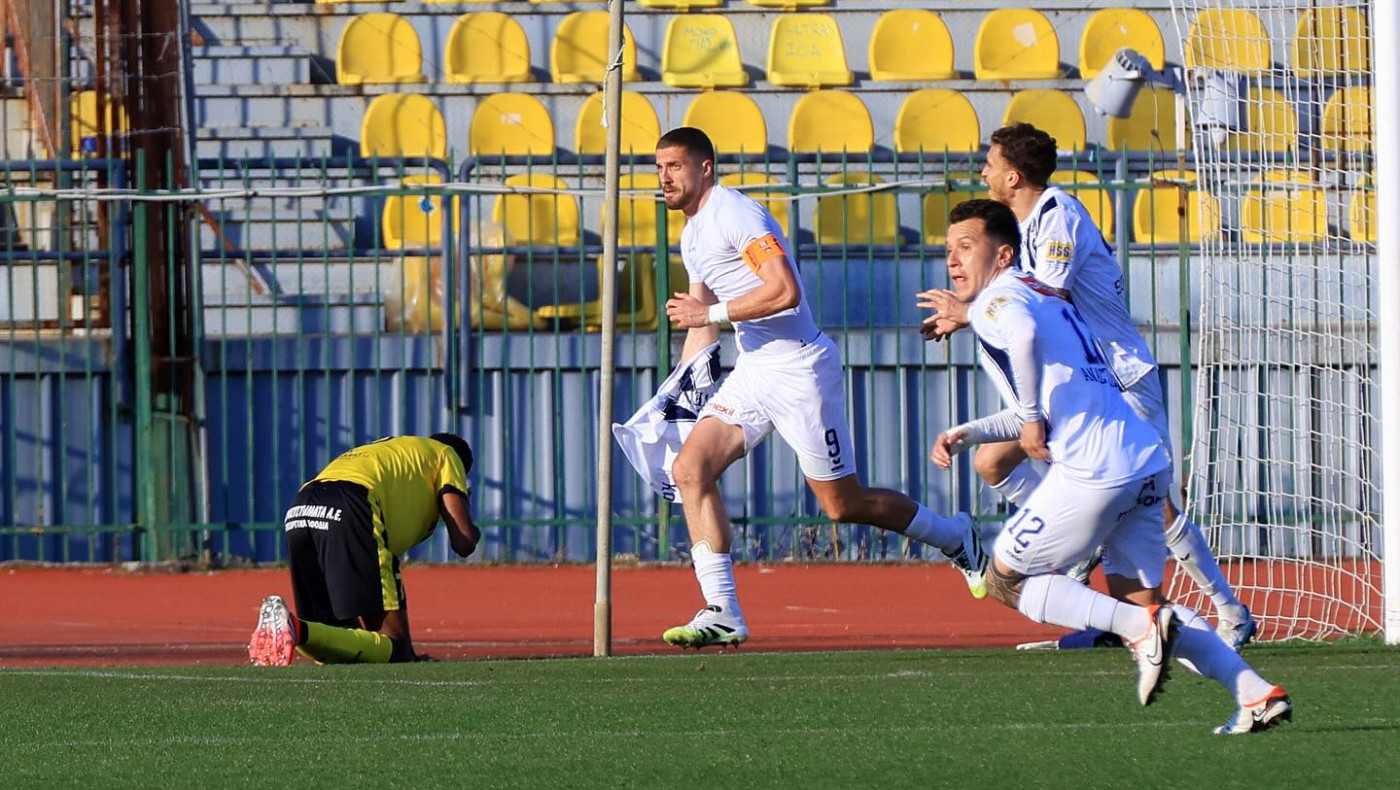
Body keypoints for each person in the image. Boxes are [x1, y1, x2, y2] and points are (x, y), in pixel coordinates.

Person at [929, 199, 1290, 734]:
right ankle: (1257, 693)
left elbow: (1026, 353)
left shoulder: (996, 300)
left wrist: (1028, 420)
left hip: (1096, 469)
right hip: (1143, 458)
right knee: (1143, 600)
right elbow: (1063, 395)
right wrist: (976, 432)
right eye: (948, 251)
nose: (954, 262)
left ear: (1003, 253)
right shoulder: (1048, 295)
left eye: (966, 247)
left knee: (1005, 580)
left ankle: (1142, 631)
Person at [920, 123, 1256, 649]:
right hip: (1077, 383)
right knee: (992, 462)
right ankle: (1086, 560)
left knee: (1155, 502)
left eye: (989, 162)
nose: (981, 171)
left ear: (1012, 175)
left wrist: (968, 312)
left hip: (1117, 377)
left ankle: (1229, 611)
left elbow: (1045, 299)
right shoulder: (1018, 230)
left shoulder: (1057, 216)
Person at [655, 127, 983, 649]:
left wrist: (708, 311)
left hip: (801, 369)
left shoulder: (736, 214)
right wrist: (675, 395)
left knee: (841, 505)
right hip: (756, 368)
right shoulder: (692, 233)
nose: (664, 178)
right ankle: (723, 611)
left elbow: (784, 291)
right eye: (659, 168)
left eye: (674, 166)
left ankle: (953, 536)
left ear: (706, 168)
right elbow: (702, 324)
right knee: (689, 469)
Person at [247, 433, 479, 666]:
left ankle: (293, 628)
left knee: (333, 641)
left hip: (301, 507)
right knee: (398, 650)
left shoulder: (397, 451)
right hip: (352, 502)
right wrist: (464, 506)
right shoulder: (447, 454)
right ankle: (296, 628)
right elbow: (464, 541)